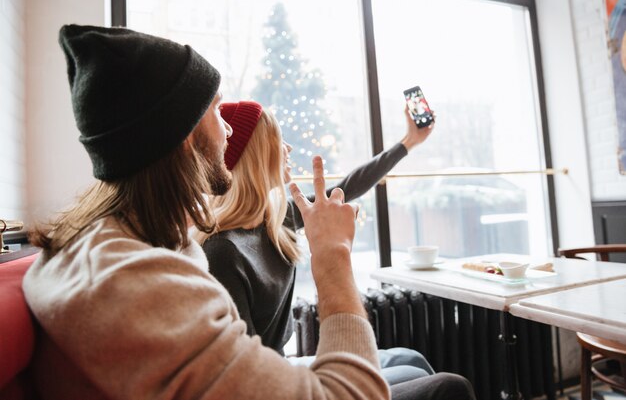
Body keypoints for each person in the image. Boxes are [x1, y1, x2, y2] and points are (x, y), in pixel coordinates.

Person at [22, 24, 389, 400]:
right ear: (182, 134)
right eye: (216, 109)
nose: (229, 130)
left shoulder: (129, 243)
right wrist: (333, 258)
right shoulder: (139, 286)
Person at [198, 101, 475, 399]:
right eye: (279, 139)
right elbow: (249, 379)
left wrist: (409, 142)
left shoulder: (275, 218)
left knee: (412, 360)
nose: (288, 148)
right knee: (451, 386)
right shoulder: (223, 253)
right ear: (256, 153)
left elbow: (348, 187)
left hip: (283, 363)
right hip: (272, 382)